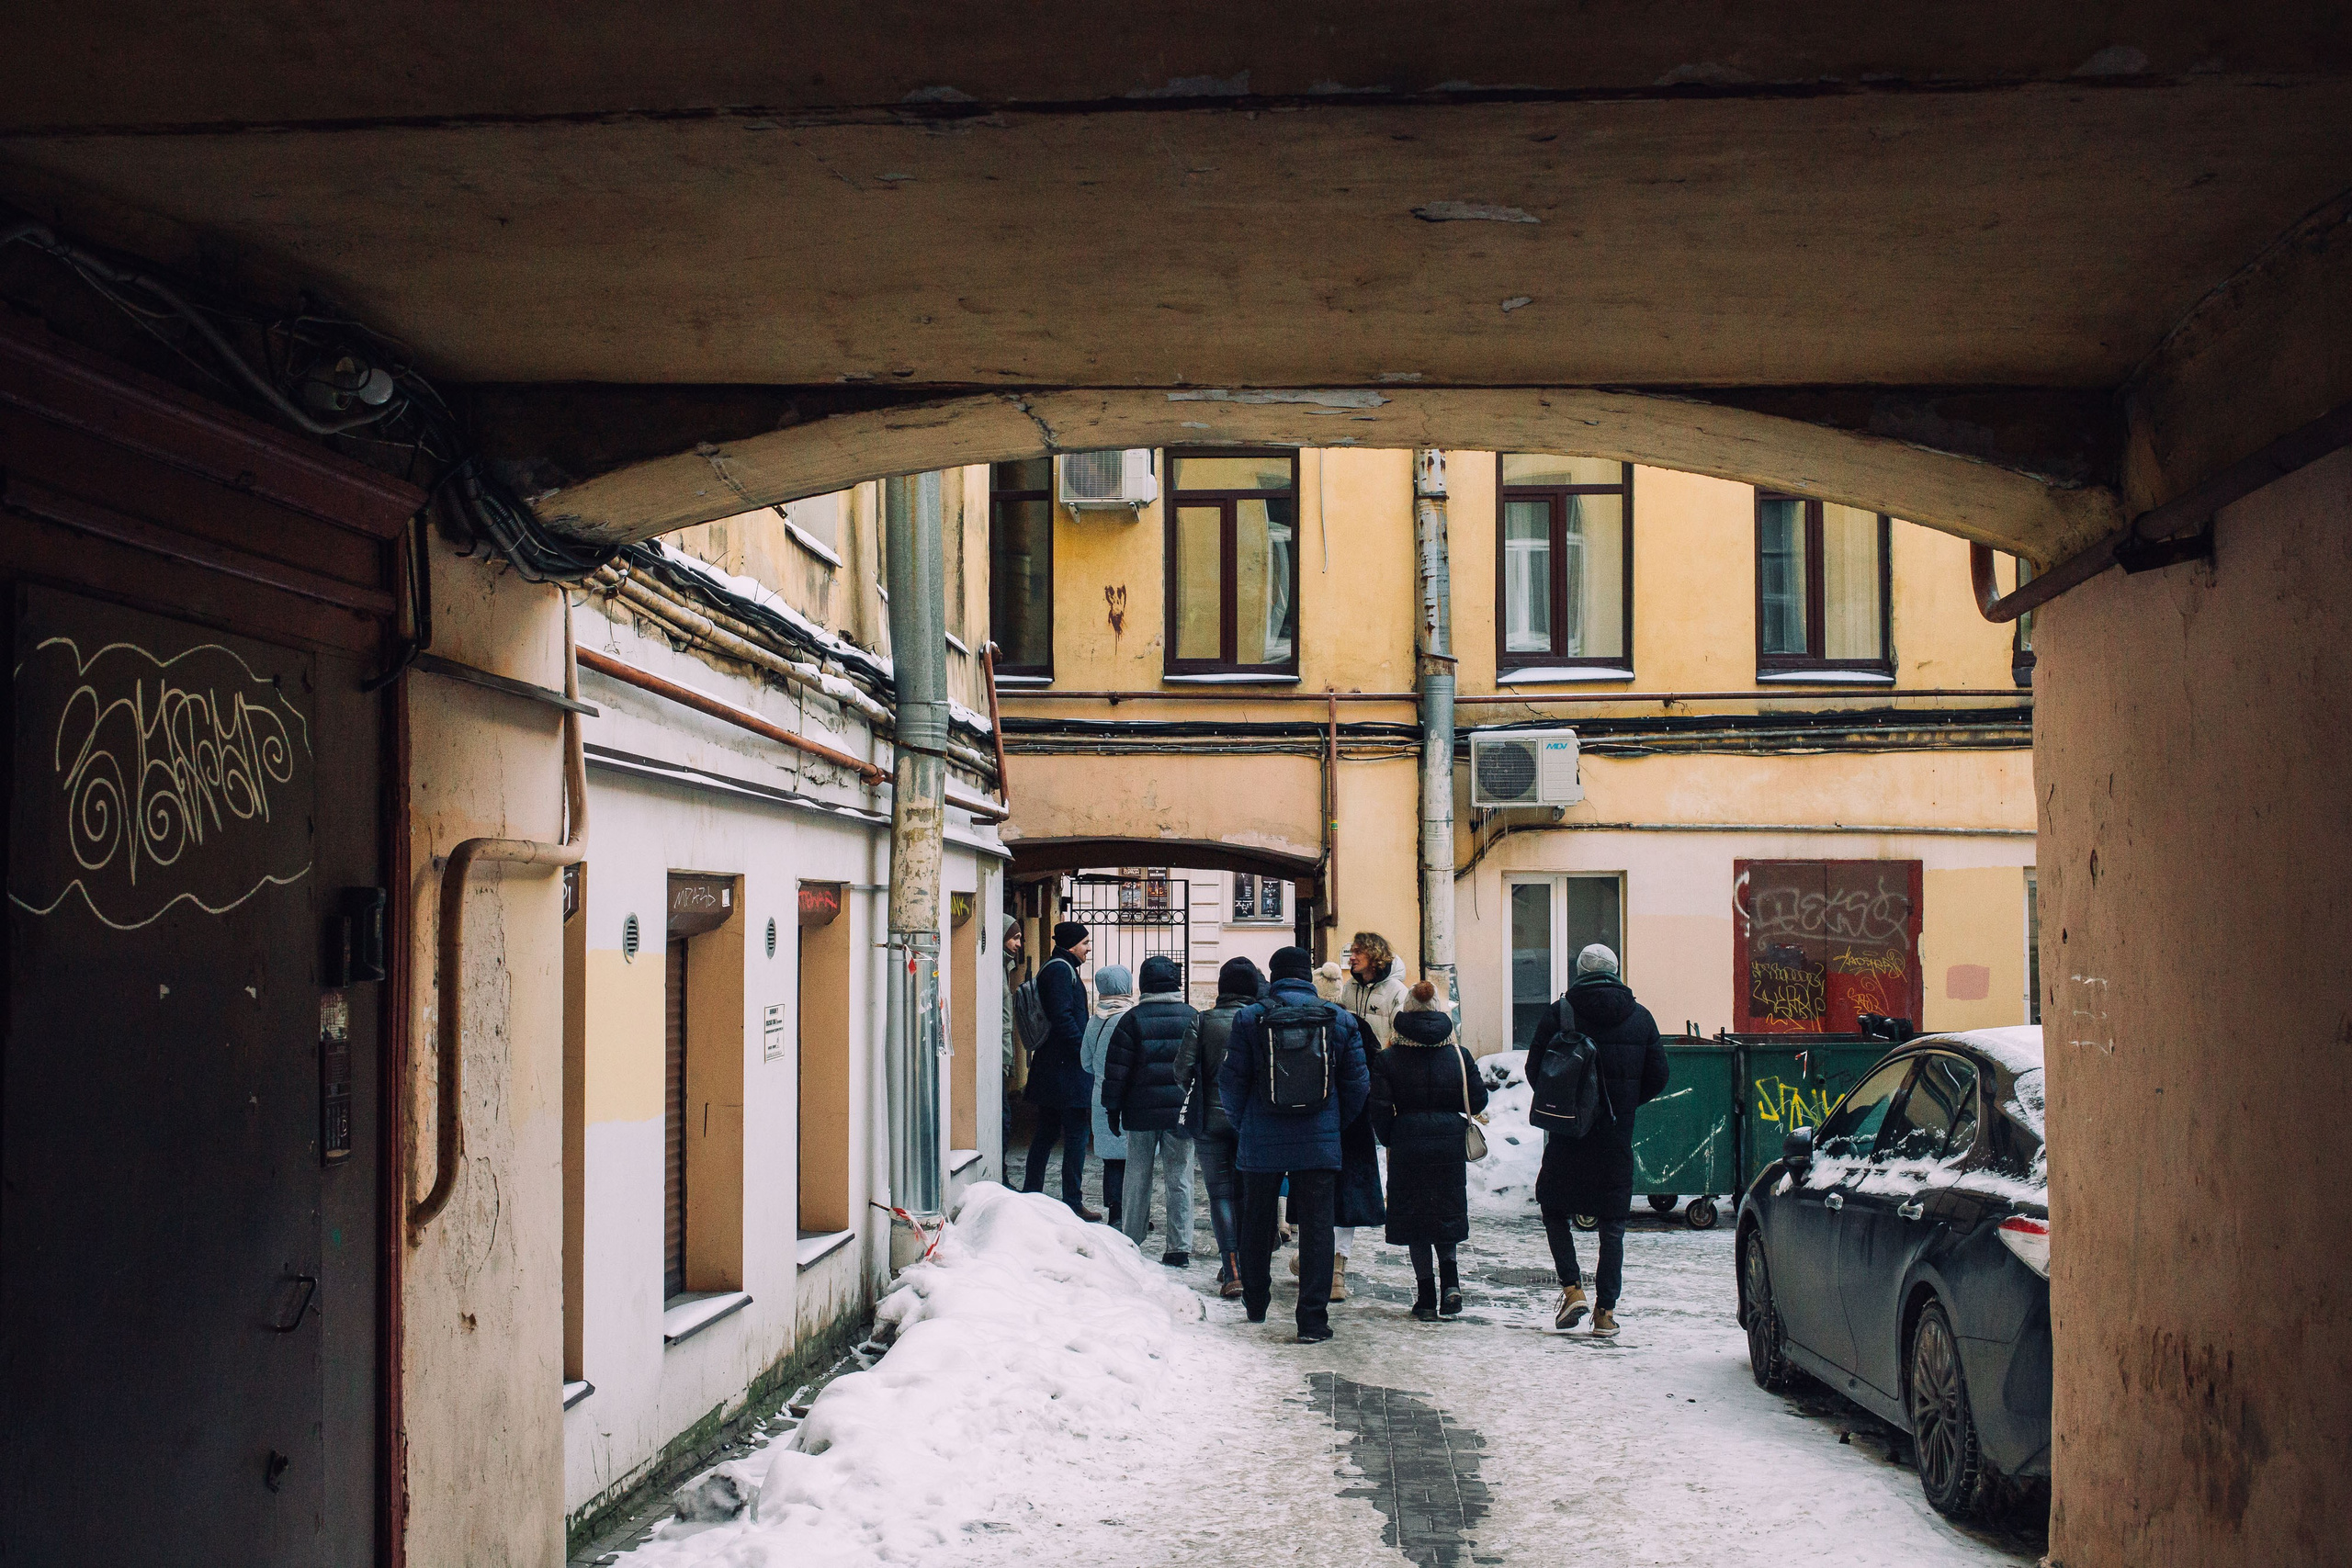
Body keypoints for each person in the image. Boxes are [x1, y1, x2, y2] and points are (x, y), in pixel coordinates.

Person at [1218, 945, 1371, 1344]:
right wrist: (1333, 1123)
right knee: (1318, 1228)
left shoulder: (1250, 1018)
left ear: (1272, 975)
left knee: (1257, 1220)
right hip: (1319, 1139)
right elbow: (1357, 1085)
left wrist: (1245, 1123)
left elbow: (1231, 1082)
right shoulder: (1339, 1020)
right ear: (1308, 975)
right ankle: (1312, 1321)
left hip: (1261, 1137)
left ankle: (1256, 1302)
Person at [1527, 942, 1669, 1337]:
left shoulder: (1560, 1013)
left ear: (1580, 971)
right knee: (1613, 1223)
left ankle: (1572, 1289)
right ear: (1616, 971)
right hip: (1614, 1135)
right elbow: (1659, 1075)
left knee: (1553, 1207)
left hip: (1568, 1133)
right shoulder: (1640, 1017)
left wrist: (1566, 1104)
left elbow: (1535, 1069)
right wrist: (1621, 1103)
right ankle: (1605, 1312)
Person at [1370, 981, 1487, 1320]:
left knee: (1415, 1218)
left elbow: (1379, 1107)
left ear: (1405, 1012)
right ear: (1438, 1012)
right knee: (1445, 1212)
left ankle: (1424, 1297)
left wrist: (1392, 1136)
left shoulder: (1389, 1058)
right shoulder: (1458, 1055)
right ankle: (1451, 1283)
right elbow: (1478, 1100)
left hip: (1408, 1143)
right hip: (1449, 1144)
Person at [1099, 953, 1200, 1264]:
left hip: (1140, 1113)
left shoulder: (1132, 1019)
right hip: (1180, 1114)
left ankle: (1131, 1239)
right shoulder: (1193, 1016)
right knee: (1180, 1178)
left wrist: (1112, 1109)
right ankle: (1179, 1247)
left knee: (1137, 1176)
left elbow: (1116, 1070)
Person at [1174, 954, 1261, 1297]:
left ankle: (1233, 1270)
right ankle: (1248, 1265)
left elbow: (1181, 1070)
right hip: (1251, 1121)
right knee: (1247, 1194)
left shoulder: (1204, 1020)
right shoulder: (1259, 1020)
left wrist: (1200, 1091)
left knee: (1221, 1195)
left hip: (1210, 1121)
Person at [1021, 922, 1102, 1220]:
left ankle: (1033, 1194)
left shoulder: (1061, 967)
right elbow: (1062, 1016)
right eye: (1084, 943)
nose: (1088, 948)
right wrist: (1084, 1050)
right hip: (1065, 1069)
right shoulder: (1059, 970)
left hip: (1058, 1068)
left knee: (1049, 1130)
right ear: (1071, 945)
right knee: (1076, 1131)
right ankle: (1070, 1201)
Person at [1077, 964, 1135, 1227]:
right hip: (1130, 1095)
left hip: (1102, 1096)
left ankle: (1115, 1212)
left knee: (1112, 1159)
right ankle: (1133, 1211)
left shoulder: (1094, 1020)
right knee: (1135, 1158)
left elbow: (1086, 1062)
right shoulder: (1132, 1018)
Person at [1001, 916, 1024, 1171]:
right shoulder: (995, 966)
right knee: (1003, 1119)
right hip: (997, 1057)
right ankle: (1001, 1174)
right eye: (1014, 937)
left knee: (1004, 1117)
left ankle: (1002, 1171)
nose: (1018, 944)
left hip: (1002, 1057)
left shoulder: (1004, 966)